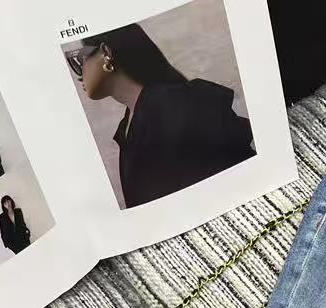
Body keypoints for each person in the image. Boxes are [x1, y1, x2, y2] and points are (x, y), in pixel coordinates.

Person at [69, 24, 255, 207]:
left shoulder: (177, 104)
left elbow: (239, 177)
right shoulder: (128, 128)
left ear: (106, 53)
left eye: (80, 59)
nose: (78, 74)